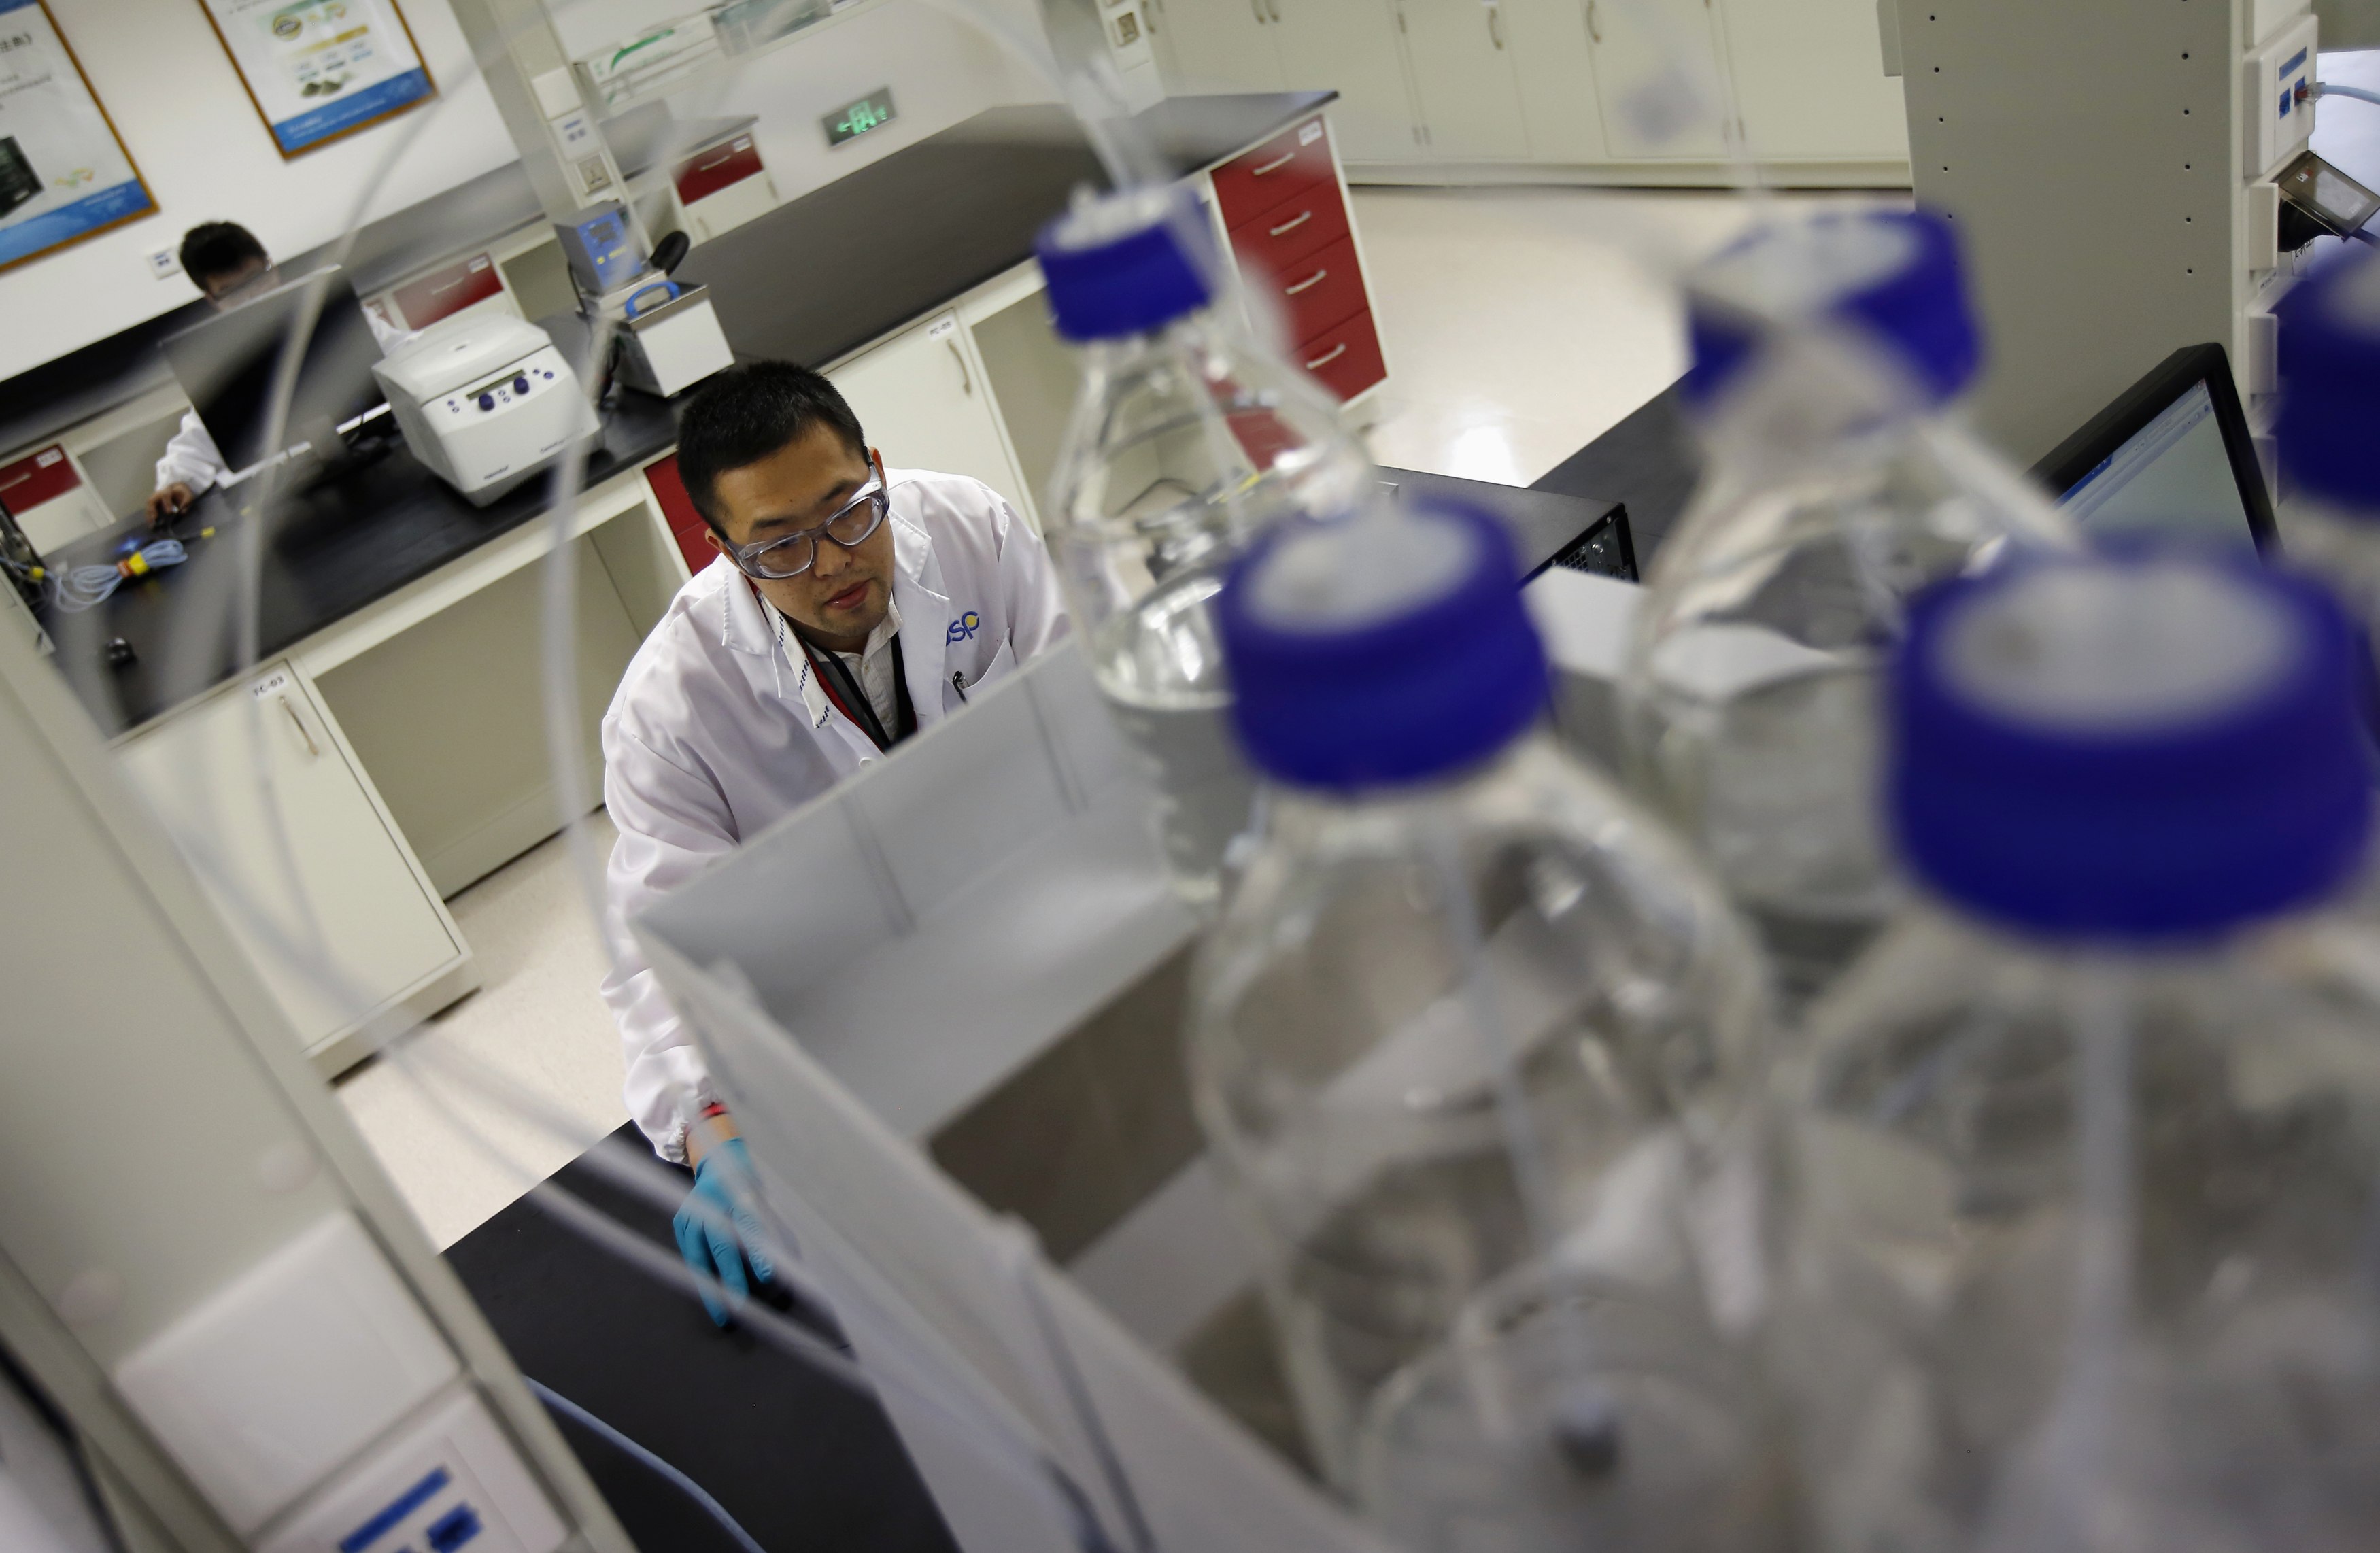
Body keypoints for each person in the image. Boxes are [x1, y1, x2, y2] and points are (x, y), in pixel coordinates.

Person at [599, 360, 1070, 1322]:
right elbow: (656, 959)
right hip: (852, 1014)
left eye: (851, 512)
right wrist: (713, 1132)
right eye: (777, 546)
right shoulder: (670, 710)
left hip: (1034, 933)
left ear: (878, 469)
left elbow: (1082, 711)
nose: (831, 564)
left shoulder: (972, 530)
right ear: (723, 550)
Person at [145, 221, 406, 525]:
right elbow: (198, 442)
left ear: (273, 267)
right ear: (212, 301)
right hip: (295, 509)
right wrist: (176, 482)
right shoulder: (221, 366)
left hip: (386, 460)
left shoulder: (330, 313)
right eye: (231, 292)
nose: (252, 297)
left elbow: (405, 353)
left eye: (257, 279)